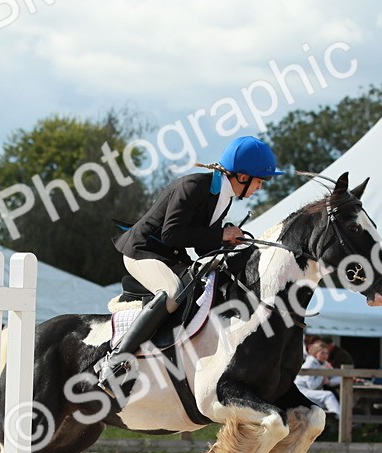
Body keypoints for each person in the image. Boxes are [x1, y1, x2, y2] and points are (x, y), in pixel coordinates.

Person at [96, 135, 284, 393]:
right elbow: (171, 234)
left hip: (167, 254)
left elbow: (200, 247)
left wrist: (229, 241)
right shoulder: (194, 186)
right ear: (242, 177)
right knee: (174, 291)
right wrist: (220, 235)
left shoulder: (223, 196)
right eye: (259, 181)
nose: (260, 188)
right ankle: (115, 363)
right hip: (141, 251)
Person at [294, 339, 340, 416]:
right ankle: (338, 419)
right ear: (316, 353)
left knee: (333, 403)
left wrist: (329, 382)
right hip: (301, 392)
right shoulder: (310, 364)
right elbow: (312, 386)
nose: (325, 356)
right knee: (329, 395)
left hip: (310, 393)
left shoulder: (324, 363)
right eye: (322, 353)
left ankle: (336, 420)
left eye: (327, 353)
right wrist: (323, 374)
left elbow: (338, 377)